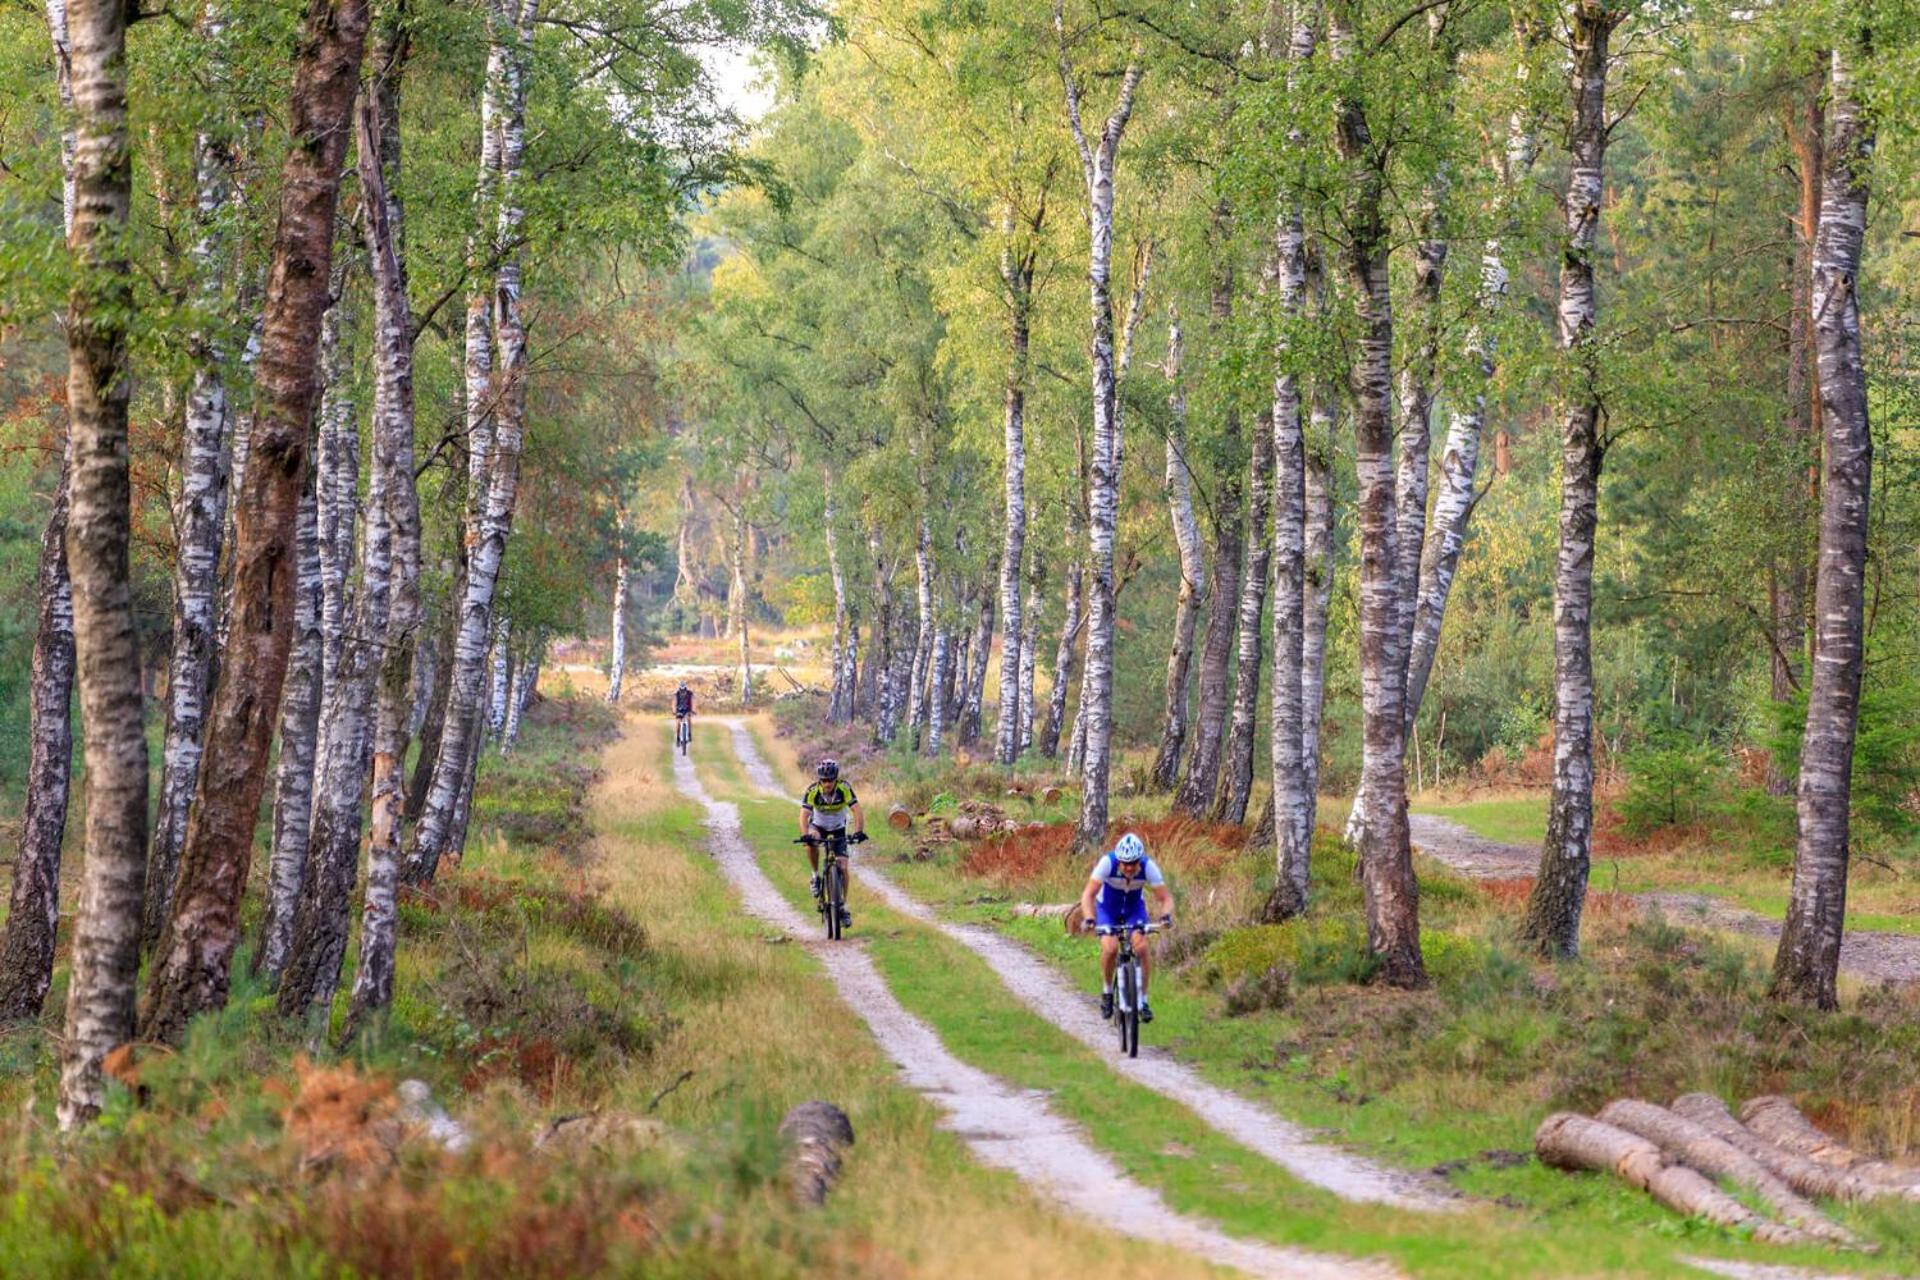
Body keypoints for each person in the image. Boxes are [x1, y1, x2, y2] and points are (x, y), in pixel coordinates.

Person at [1078, 831, 1174, 1023]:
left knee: (1142, 947)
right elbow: (1088, 895)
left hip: (1133, 910)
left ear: (1140, 860)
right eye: (1125, 864)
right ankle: (1107, 992)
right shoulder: (1107, 863)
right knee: (1110, 947)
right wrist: (1089, 918)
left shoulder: (1148, 867)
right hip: (1107, 910)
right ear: (1118, 860)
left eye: (1133, 864)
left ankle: (1143, 1001)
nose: (1129, 868)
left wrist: (1166, 915)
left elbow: (1166, 898)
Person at [799, 758, 866, 927]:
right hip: (818, 826)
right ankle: (815, 876)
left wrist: (858, 832)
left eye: (830, 780)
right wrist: (805, 834)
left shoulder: (844, 788)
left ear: (836, 779)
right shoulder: (812, 790)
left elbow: (857, 810)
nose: (827, 784)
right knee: (811, 841)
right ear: (819, 780)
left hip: (838, 828)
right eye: (824, 780)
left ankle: (842, 905)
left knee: (843, 867)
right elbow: (804, 815)